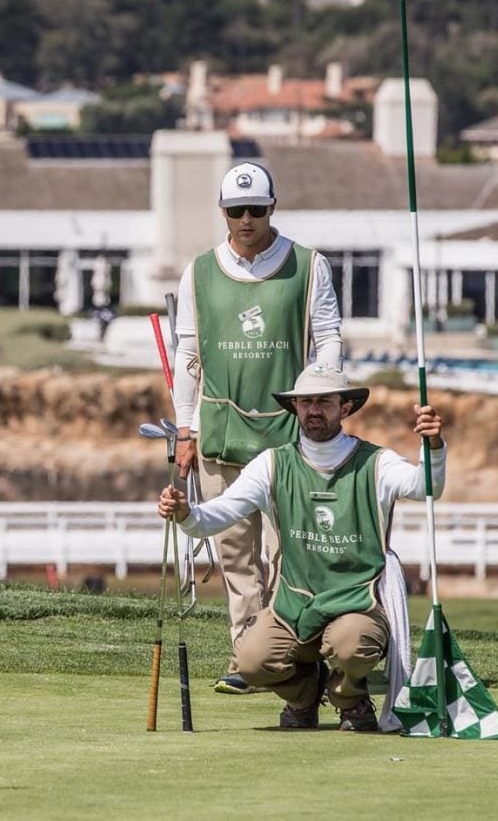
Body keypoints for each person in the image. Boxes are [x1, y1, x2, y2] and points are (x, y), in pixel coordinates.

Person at [158, 363, 446, 731]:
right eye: (305, 401)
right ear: (295, 408)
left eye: (324, 401)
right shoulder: (273, 463)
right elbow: (217, 515)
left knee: (351, 647)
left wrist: (433, 445)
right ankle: (304, 698)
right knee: (251, 662)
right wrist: (185, 513)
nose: (313, 410)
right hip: (293, 603)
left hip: (358, 601)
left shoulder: (377, 463)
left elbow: (426, 486)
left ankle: (350, 699)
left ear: (345, 408)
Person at [172, 161, 343, 695]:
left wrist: (319, 397)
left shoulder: (309, 265)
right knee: (235, 556)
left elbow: (329, 338)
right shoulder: (199, 271)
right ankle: (248, 655)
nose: (246, 219)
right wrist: (184, 427)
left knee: (284, 553)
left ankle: (286, 653)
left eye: (257, 209)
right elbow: (188, 353)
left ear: (273, 207)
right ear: (222, 212)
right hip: (220, 433)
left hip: (287, 439)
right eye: (236, 210)